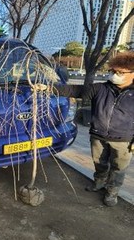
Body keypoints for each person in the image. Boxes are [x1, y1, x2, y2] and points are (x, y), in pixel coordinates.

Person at [39, 52, 134, 207]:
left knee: (119, 168)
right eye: (113, 71)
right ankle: (99, 182)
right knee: (99, 163)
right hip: (98, 135)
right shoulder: (100, 88)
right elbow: (74, 91)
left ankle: (112, 192)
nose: (115, 75)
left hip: (123, 139)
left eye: (120, 72)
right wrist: (48, 88)